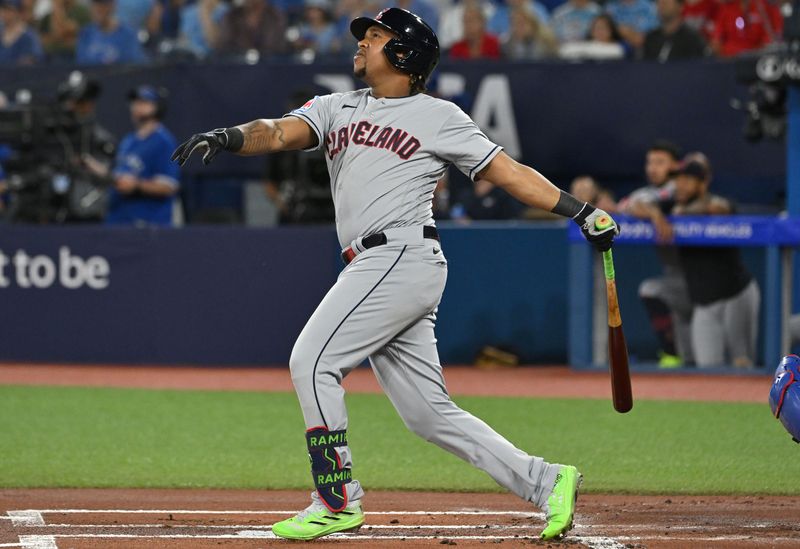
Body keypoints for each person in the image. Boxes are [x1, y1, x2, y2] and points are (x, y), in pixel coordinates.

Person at [172, 7, 618, 542]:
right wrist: (229, 135)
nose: (362, 44)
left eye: (376, 37)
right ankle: (548, 481)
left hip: (400, 256)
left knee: (311, 361)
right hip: (378, 263)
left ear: (404, 55)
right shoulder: (337, 106)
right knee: (428, 415)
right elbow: (279, 131)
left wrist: (580, 209)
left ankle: (335, 500)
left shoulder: (438, 116)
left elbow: (510, 174)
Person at [670, 156, 760, 368]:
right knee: (708, 370)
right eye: (678, 180)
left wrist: (685, 213)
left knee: (743, 363)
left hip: (736, 296)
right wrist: (658, 215)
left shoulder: (718, 201)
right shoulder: (671, 207)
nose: (680, 186)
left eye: (687, 180)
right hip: (704, 303)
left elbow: (719, 208)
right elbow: (636, 205)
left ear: (703, 184)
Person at [618, 140, 693, 368]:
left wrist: (653, 212)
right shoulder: (648, 193)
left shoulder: (681, 188)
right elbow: (629, 205)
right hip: (678, 278)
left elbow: (663, 199)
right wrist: (654, 214)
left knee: (720, 360)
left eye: (660, 162)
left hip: (708, 276)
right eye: (650, 162)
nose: (653, 168)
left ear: (675, 166)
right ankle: (671, 352)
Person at [108, 86, 179, 226]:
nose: (136, 107)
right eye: (135, 102)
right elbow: (119, 174)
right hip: (119, 220)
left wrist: (137, 185)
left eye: (143, 102)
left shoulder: (164, 141)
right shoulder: (128, 141)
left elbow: (169, 186)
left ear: (157, 107)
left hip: (149, 224)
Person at [75, 0, 147, 64]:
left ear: (113, 6)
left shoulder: (128, 35)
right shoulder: (86, 33)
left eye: (103, 5)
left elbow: (134, 67)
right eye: (95, 5)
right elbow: (82, 65)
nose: (98, 9)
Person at [212, 0, 288, 58]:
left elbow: (278, 49)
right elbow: (223, 47)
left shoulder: (276, 17)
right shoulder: (231, 17)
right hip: (236, 69)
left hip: (269, 71)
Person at [711, 0, 783, 57]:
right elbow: (716, 41)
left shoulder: (763, 7)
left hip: (754, 58)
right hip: (730, 59)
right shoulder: (726, 8)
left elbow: (769, 41)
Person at [643, 0, 707, 61]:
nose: (662, 2)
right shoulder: (650, 39)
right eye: (659, 0)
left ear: (680, 6)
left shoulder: (692, 40)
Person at [558, 13, 628, 60]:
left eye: (603, 28)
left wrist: (585, 50)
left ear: (611, 30)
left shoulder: (618, 48)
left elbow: (616, 52)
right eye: (596, 28)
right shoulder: (585, 45)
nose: (599, 32)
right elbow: (564, 51)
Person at [0, 0, 43, 65]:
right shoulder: (1, 32)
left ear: (18, 11)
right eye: (2, 9)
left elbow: (31, 61)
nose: (4, 13)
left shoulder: (29, 36)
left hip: (18, 74)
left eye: (8, 10)